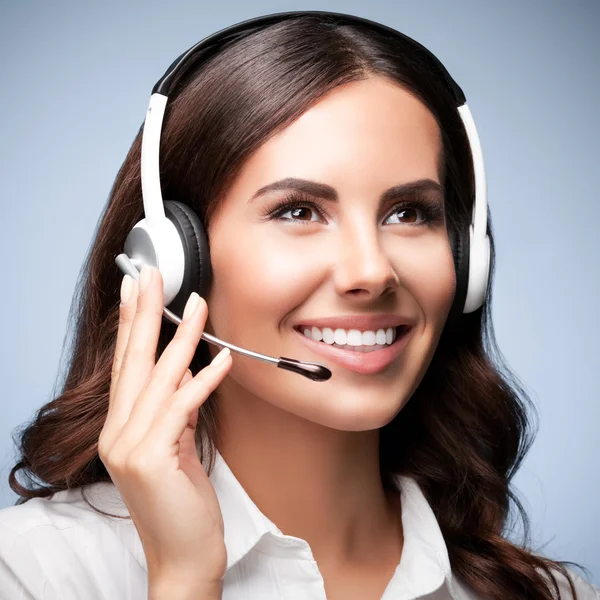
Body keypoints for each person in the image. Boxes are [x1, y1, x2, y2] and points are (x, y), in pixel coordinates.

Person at [0, 11, 597, 600]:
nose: (371, 271)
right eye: (299, 211)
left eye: (409, 213)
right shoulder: (34, 573)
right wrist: (185, 580)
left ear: (468, 260)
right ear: (173, 260)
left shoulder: (549, 594)